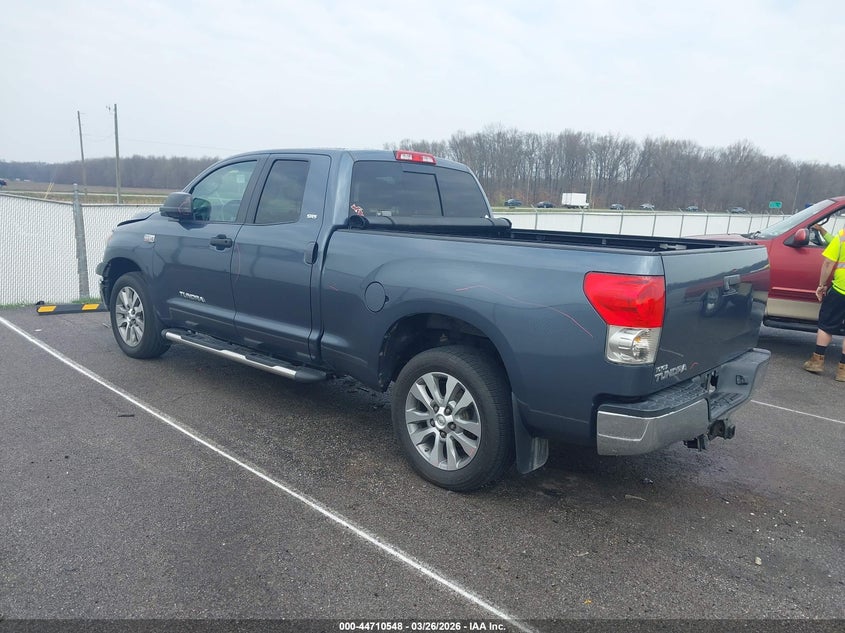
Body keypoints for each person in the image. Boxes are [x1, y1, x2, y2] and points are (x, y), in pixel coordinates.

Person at [803, 228, 845, 380]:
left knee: (826, 325)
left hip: (841, 290)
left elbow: (828, 262)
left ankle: (817, 361)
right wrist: (822, 230)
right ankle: (843, 371)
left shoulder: (843, 235)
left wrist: (822, 285)